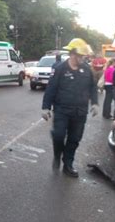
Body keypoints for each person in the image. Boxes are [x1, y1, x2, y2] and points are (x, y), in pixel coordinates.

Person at [42, 38, 99, 178]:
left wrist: (95, 103)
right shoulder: (60, 68)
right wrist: (46, 107)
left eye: (83, 56)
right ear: (72, 54)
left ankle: (68, 164)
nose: (83, 58)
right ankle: (57, 154)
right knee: (59, 135)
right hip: (62, 110)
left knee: (74, 139)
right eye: (80, 55)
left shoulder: (86, 69)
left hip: (80, 112)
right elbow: (51, 88)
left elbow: (93, 87)